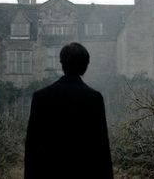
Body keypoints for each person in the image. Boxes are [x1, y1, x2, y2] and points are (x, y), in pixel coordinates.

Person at [24, 42, 114, 179]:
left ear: (62, 64)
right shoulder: (94, 98)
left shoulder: (41, 97)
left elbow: (32, 147)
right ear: (85, 66)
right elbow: (101, 149)